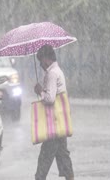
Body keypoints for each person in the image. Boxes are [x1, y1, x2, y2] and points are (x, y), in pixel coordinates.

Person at [33, 44, 74, 180]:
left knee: (44, 160)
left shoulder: (52, 73)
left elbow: (50, 99)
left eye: (41, 61)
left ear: (46, 59)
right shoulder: (58, 71)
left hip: (54, 123)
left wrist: (40, 91)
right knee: (63, 156)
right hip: (60, 122)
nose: (40, 65)